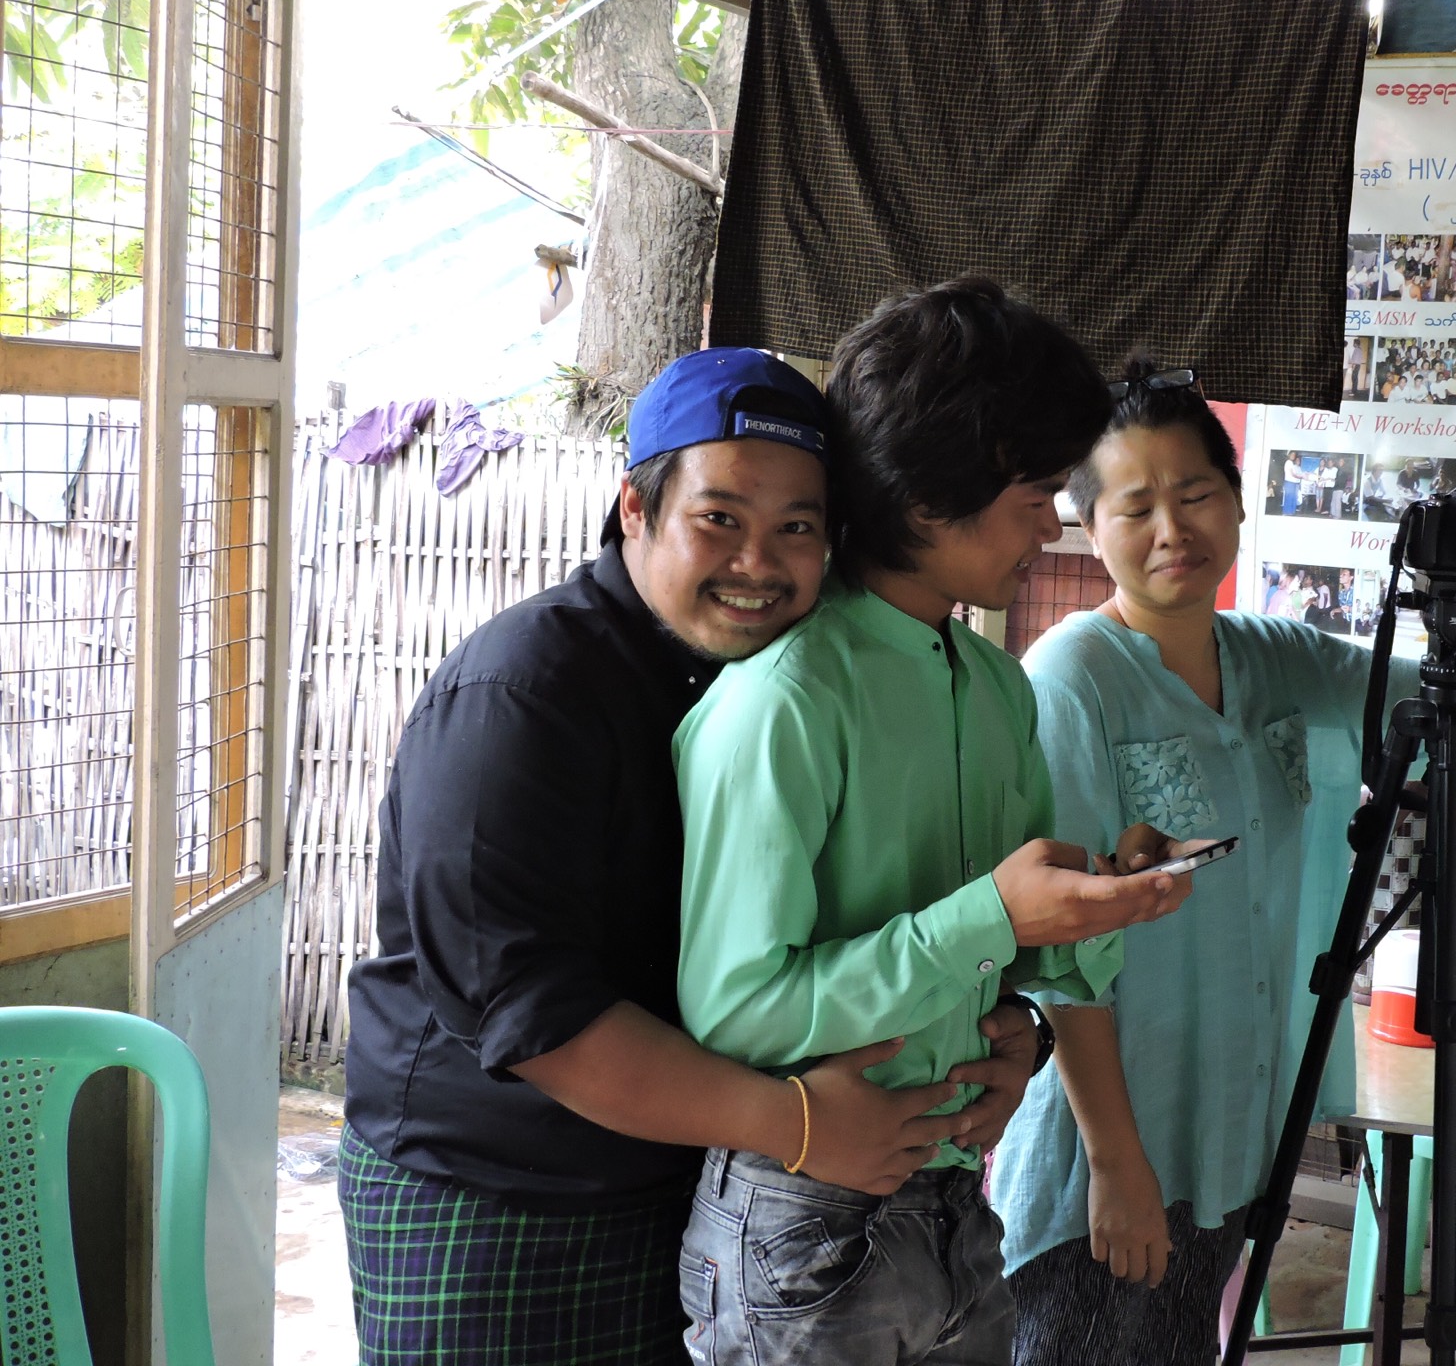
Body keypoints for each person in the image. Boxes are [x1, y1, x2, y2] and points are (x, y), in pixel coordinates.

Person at [339, 349, 1044, 1366]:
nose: (757, 563)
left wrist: (1017, 1031)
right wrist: (797, 1124)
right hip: (498, 1192)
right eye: (719, 519)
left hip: (703, 1181)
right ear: (635, 507)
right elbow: (530, 1013)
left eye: (796, 527)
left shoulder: (794, 681)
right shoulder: (520, 694)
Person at [987, 359, 1456, 1366]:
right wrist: (1115, 1163)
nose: (1171, 529)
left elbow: (1445, 692)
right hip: (1114, 1145)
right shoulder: (1072, 675)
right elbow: (1063, 952)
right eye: (1135, 507)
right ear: (1088, 525)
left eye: (1194, 494)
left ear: (1235, 502)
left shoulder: (1272, 655)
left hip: (1233, 1127)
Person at [671, 280, 1194, 1366]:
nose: (1051, 523)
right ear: (925, 500)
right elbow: (737, 1011)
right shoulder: (786, 701)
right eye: (1034, 493)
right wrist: (992, 918)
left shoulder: (994, 686)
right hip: (803, 1219)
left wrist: (1091, 907)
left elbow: (1011, 957)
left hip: (956, 1199)